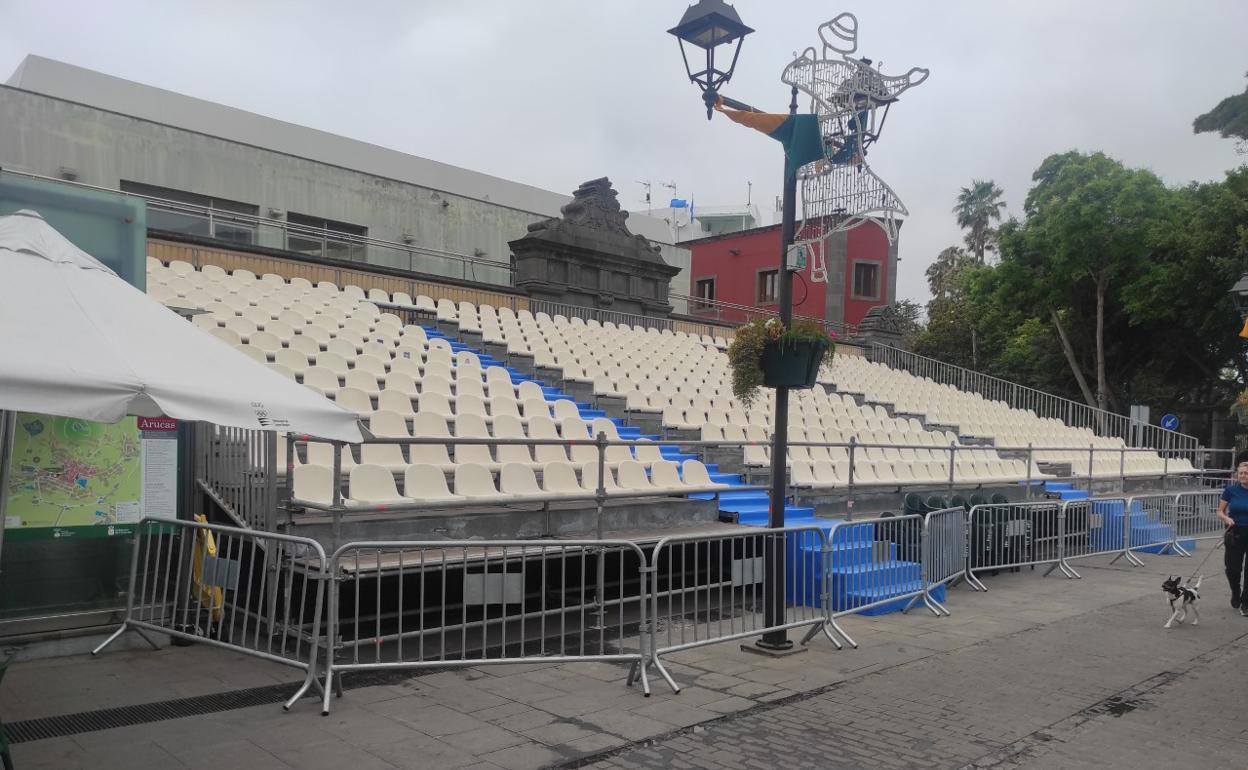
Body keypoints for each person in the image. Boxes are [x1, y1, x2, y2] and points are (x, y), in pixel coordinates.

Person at [1217, 461, 1248, 616]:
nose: (1243, 475)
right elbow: (1220, 511)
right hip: (1234, 532)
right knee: (1232, 569)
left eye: (1246, 473)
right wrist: (1226, 519)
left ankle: (1246, 602)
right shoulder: (1231, 490)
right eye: (1241, 473)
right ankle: (1236, 592)